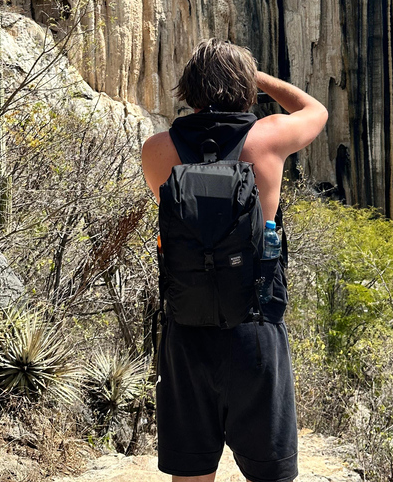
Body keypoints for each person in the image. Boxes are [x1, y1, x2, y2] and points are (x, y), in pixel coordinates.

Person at [141, 38, 328, 482]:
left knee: (190, 474)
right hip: (255, 327)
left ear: (189, 87)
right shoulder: (267, 138)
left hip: (186, 330)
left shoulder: (157, 150)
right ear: (245, 88)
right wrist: (256, 77)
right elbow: (315, 110)